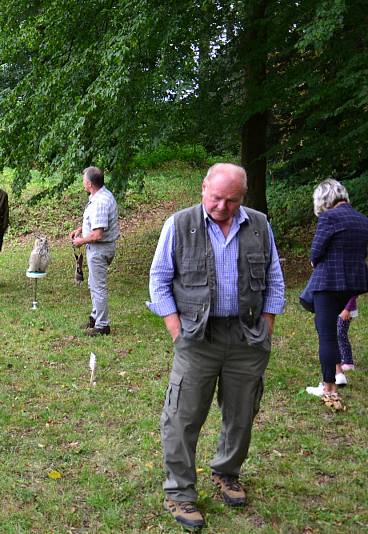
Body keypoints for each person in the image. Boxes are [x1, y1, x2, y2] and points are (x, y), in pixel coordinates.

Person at [147, 163, 285, 530]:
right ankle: (179, 492)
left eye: (232, 200)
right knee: (182, 417)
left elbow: (274, 279)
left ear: (243, 196)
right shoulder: (178, 224)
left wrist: (266, 329)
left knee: (241, 415)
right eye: (216, 197)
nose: (222, 206)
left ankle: (227, 472)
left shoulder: (258, 224)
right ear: (203, 187)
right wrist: (177, 333)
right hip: (196, 338)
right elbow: (159, 281)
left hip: (247, 337)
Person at [303, 179, 368, 411]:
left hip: (328, 283)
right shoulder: (362, 220)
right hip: (353, 284)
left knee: (327, 333)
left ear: (323, 199)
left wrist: (315, 261)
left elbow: (316, 252)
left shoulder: (328, 218)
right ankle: (338, 374)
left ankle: (329, 386)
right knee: (334, 330)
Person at [69, 166, 119, 336]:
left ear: (90, 183)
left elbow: (98, 234)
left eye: (84, 180)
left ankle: (102, 326)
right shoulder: (99, 195)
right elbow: (94, 222)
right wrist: (80, 229)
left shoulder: (100, 202)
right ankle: (95, 317)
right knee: (93, 283)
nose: (83, 182)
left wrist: (80, 241)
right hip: (98, 248)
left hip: (99, 249)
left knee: (98, 287)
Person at [337, 296, 358, 372]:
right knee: (335, 334)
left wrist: (347, 309)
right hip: (334, 307)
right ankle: (340, 357)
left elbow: (353, 294)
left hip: (346, 310)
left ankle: (348, 361)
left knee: (341, 333)